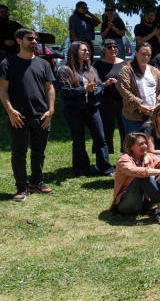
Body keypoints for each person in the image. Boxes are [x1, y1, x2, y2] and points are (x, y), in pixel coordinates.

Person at [0, 28, 57, 201]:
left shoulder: (43, 64)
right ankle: (21, 187)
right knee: (19, 152)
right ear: (19, 40)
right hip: (18, 116)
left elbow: (50, 88)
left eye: (36, 39)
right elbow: (2, 89)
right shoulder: (7, 63)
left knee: (39, 152)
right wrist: (10, 111)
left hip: (41, 115)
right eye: (30, 38)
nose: (34, 41)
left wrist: (51, 110)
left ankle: (36, 182)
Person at [58, 41, 112, 177]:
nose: (87, 52)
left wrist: (94, 90)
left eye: (88, 50)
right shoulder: (65, 70)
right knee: (78, 140)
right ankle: (81, 170)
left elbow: (99, 87)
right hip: (74, 109)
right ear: (74, 52)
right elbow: (64, 90)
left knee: (100, 138)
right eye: (84, 50)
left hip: (92, 108)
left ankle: (105, 168)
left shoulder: (92, 70)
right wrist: (84, 89)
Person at [110, 132, 160, 224]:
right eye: (141, 144)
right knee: (144, 176)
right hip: (128, 204)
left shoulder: (149, 157)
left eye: (145, 143)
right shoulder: (123, 160)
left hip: (146, 203)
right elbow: (135, 171)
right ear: (130, 147)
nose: (145, 146)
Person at [117, 43, 160, 134]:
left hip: (153, 113)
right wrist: (140, 106)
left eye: (148, 55)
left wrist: (157, 105)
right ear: (136, 52)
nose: (146, 57)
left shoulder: (154, 71)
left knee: (151, 141)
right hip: (133, 115)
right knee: (135, 141)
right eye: (143, 54)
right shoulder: (126, 70)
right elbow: (124, 90)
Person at [93, 38, 127, 155]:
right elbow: (94, 84)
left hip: (123, 101)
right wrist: (104, 84)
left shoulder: (125, 64)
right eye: (109, 47)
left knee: (125, 130)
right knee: (105, 131)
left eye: (115, 46)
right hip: (105, 101)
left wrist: (119, 83)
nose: (113, 49)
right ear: (103, 50)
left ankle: (127, 156)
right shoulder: (97, 64)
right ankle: (103, 158)